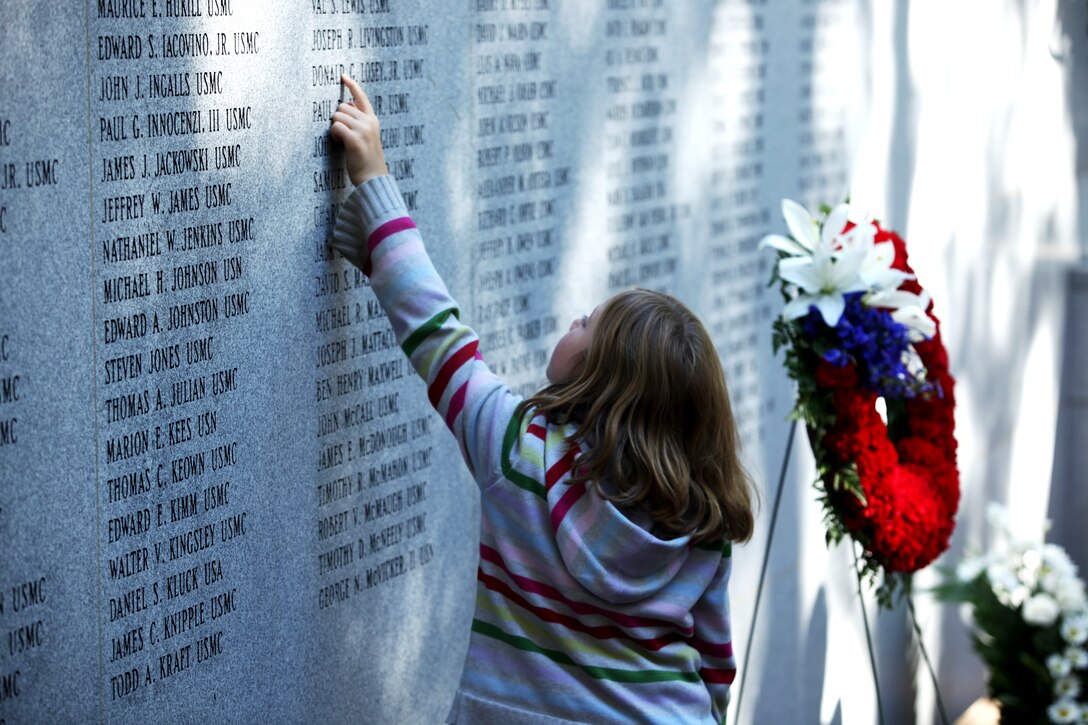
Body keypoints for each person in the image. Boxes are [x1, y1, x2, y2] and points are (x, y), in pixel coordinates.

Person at [329, 75, 756, 725]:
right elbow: (716, 669)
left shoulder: (518, 452)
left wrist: (375, 178)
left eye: (588, 323)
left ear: (604, 380)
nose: (575, 318)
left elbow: (437, 335)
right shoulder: (701, 521)